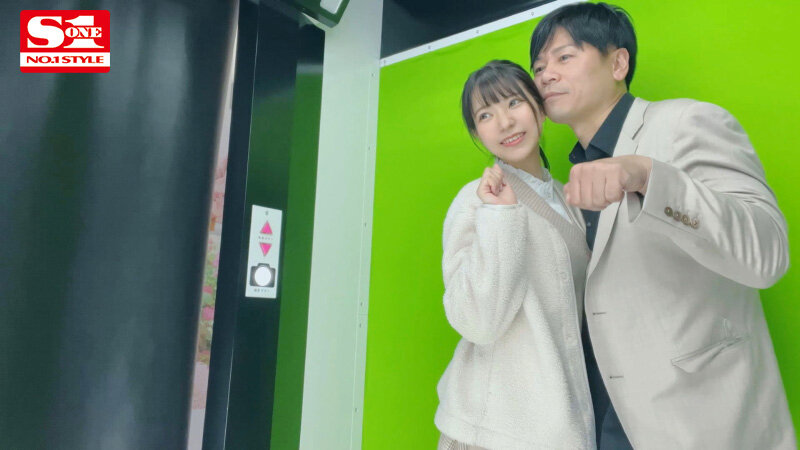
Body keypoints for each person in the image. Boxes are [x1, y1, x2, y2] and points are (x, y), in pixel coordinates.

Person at [529, 3, 794, 449]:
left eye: (564, 57)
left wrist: (650, 178)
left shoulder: (687, 123)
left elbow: (766, 253)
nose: (545, 76)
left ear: (618, 63)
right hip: (607, 422)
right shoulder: (570, 181)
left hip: (700, 421)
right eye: (538, 67)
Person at [434, 60, 596, 450]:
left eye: (513, 103)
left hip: (559, 425)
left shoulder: (570, 201)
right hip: (493, 429)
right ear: (477, 133)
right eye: (485, 115)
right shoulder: (477, 200)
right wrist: (500, 216)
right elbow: (477, 322)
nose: (505, 122)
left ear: (540, 108)